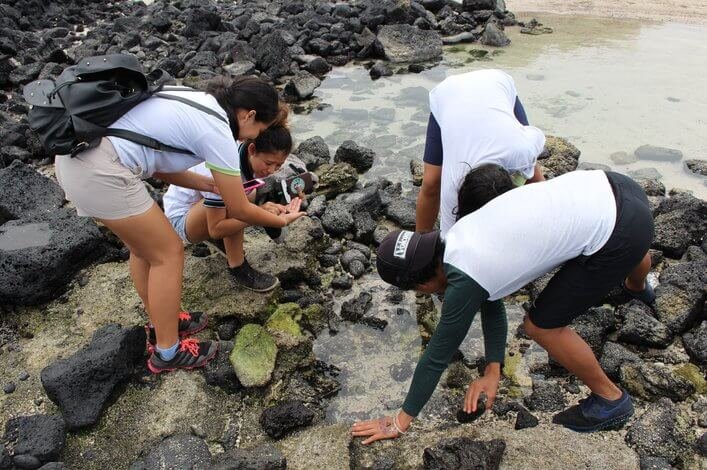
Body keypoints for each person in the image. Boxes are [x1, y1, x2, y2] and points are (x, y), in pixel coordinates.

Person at [352, 166, 655, 443]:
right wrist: (492, 370)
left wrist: (400, 421)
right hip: (617, 188)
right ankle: (637, 286)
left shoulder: (464, 280)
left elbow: (436, 356)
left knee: (541, 326)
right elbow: (492, 299)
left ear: (420, 284)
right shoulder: (460, 234)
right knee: (612, 244)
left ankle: (611, 400)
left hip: (622, 231)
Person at [54, 75, 305, 374]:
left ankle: (165, 321)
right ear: (248, 115)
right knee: (168, 252)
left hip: (78, 157)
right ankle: (167, 352)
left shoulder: (195, 100)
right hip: (101, 171)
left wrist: (203, 183)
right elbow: (239, 208)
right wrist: (280, 218)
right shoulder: (219, 130)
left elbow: (154, 156)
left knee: (143, 249)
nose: (251, 139)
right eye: (258, 130)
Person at [163, 125, 301, 292]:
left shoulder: (242, 153)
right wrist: (257, 216)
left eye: (278, 166)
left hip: (202, 208)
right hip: (182, 219)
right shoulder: (225, 168)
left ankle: (243, 225)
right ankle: (238, 266)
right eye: (269, 163)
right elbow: (216, 228)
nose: (271, 170)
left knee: (248, 195)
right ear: (252, 149)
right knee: (236, 203)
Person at [416, 69, 546, 238]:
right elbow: (449, 241)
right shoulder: (453, 186)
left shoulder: (523, 150)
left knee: (534, 180)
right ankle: (418, 243)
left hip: (497, 86)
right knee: (432, 182)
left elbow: (536, 178)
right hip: (450, 95)